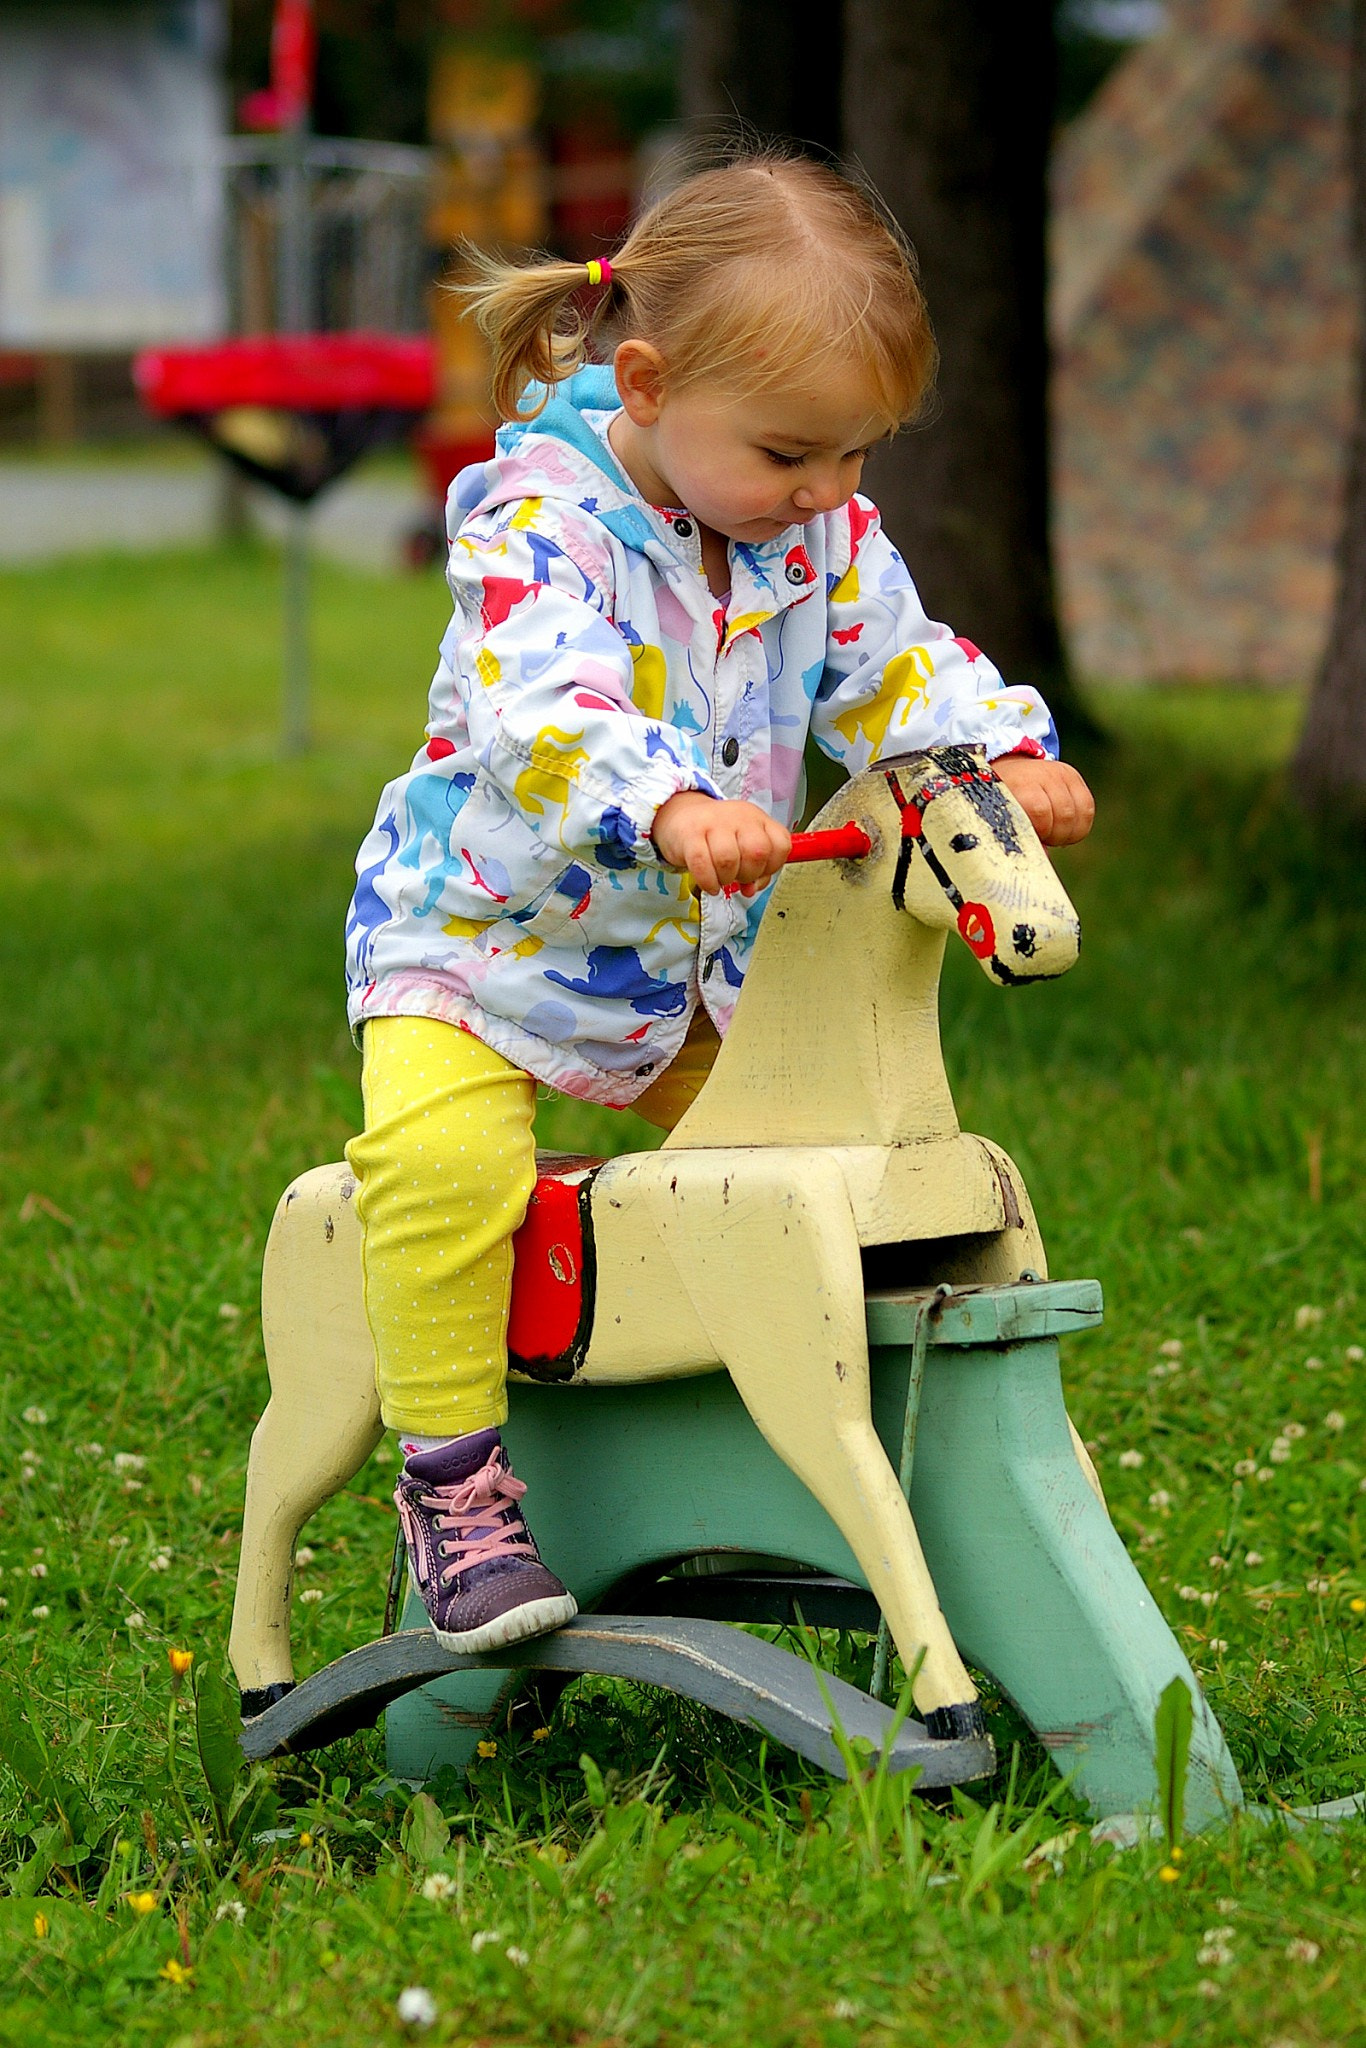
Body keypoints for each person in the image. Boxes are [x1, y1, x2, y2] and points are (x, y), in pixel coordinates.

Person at [343, 153, 1094, 1658]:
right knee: (437, 1169)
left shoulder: (810, 532)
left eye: (853, 458)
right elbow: (537, 704)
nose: (826, 493)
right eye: (791, 453)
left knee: (798, 1183)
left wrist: (996, 753)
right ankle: (454, 1482)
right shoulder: (529, 528)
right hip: (488, 950)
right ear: (644, 379)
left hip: (689, 978)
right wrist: (667, 804)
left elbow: (897, 667)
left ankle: (757, 1444)